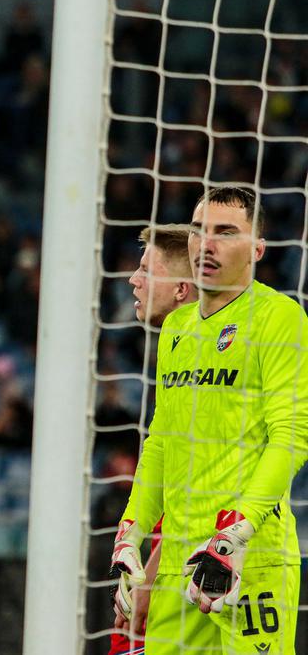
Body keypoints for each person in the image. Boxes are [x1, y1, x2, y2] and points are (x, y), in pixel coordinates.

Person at [111, 187, 308, 654]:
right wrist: (130, 531)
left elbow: (292, 435)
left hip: (250, 559)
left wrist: (237, 531)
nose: (207, 244)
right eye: (199, 230)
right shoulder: (177, 329)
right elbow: (161, 441)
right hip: (178, 562)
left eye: (226, 232)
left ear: (256, 250)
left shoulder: (279, 316)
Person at [109, 223, 196, 655]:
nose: (133, 279)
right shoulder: (175, 345)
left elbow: (205, 482)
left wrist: (155, 575)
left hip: (193, 564)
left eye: (146, 269)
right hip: (170, 547)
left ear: (181, 290)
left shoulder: (211, 353)